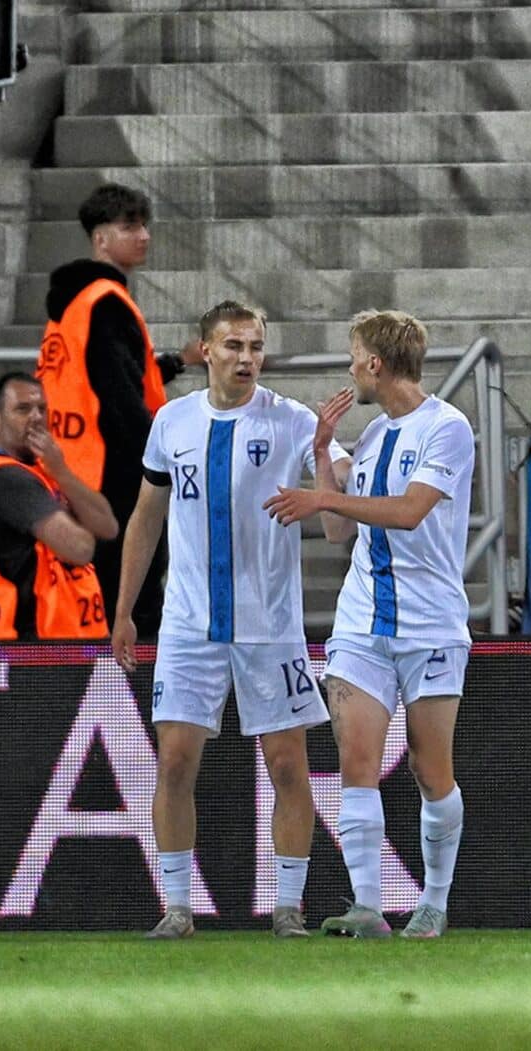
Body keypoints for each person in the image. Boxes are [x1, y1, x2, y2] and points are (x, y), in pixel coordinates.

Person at [113, 302, 338, 940]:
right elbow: (146, 516)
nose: (247, 358)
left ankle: (289, 908)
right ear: (205, 351)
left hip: (270, 626)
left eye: (257, 347)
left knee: (289, 766)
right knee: (175, 763)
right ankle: (178, 907)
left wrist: (324, 461)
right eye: (234, 345)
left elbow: (337, 506)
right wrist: (126, 608)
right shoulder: (171, 421)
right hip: (188, 626)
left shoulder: (293, 421)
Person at [262, 311, 478, 940]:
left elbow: (410, 513)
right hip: (362, 623)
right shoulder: (377, 437)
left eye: (355, 356)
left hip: (430, 625)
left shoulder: (448, 428)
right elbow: (337, 531)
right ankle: (367, 906)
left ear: (377, 365)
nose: (351, 368)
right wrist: (324, 457)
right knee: (356, 760)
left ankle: (433, 902)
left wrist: (324, 495)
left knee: (429, 768)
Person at [39, 181, 176, 637]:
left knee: (94, 599)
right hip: (115, 471)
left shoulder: (71, 303)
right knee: (133, 600)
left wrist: (173, 364)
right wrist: (161, 455)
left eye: (144, 225)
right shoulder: (106, 304)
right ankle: (133, 703)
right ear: (101, 238)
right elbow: (118, 394)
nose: (144, 235)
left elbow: (101, 376)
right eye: (129, 226)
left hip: (77, 465)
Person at [0, 373, 119, 642]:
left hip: (66, 641)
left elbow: (108, 526)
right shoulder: (7, 479)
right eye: (23, 409)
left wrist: (62, 473)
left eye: (42, 409)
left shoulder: (41, 471)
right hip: (33, 646)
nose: (36, 417)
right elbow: (80, 549)